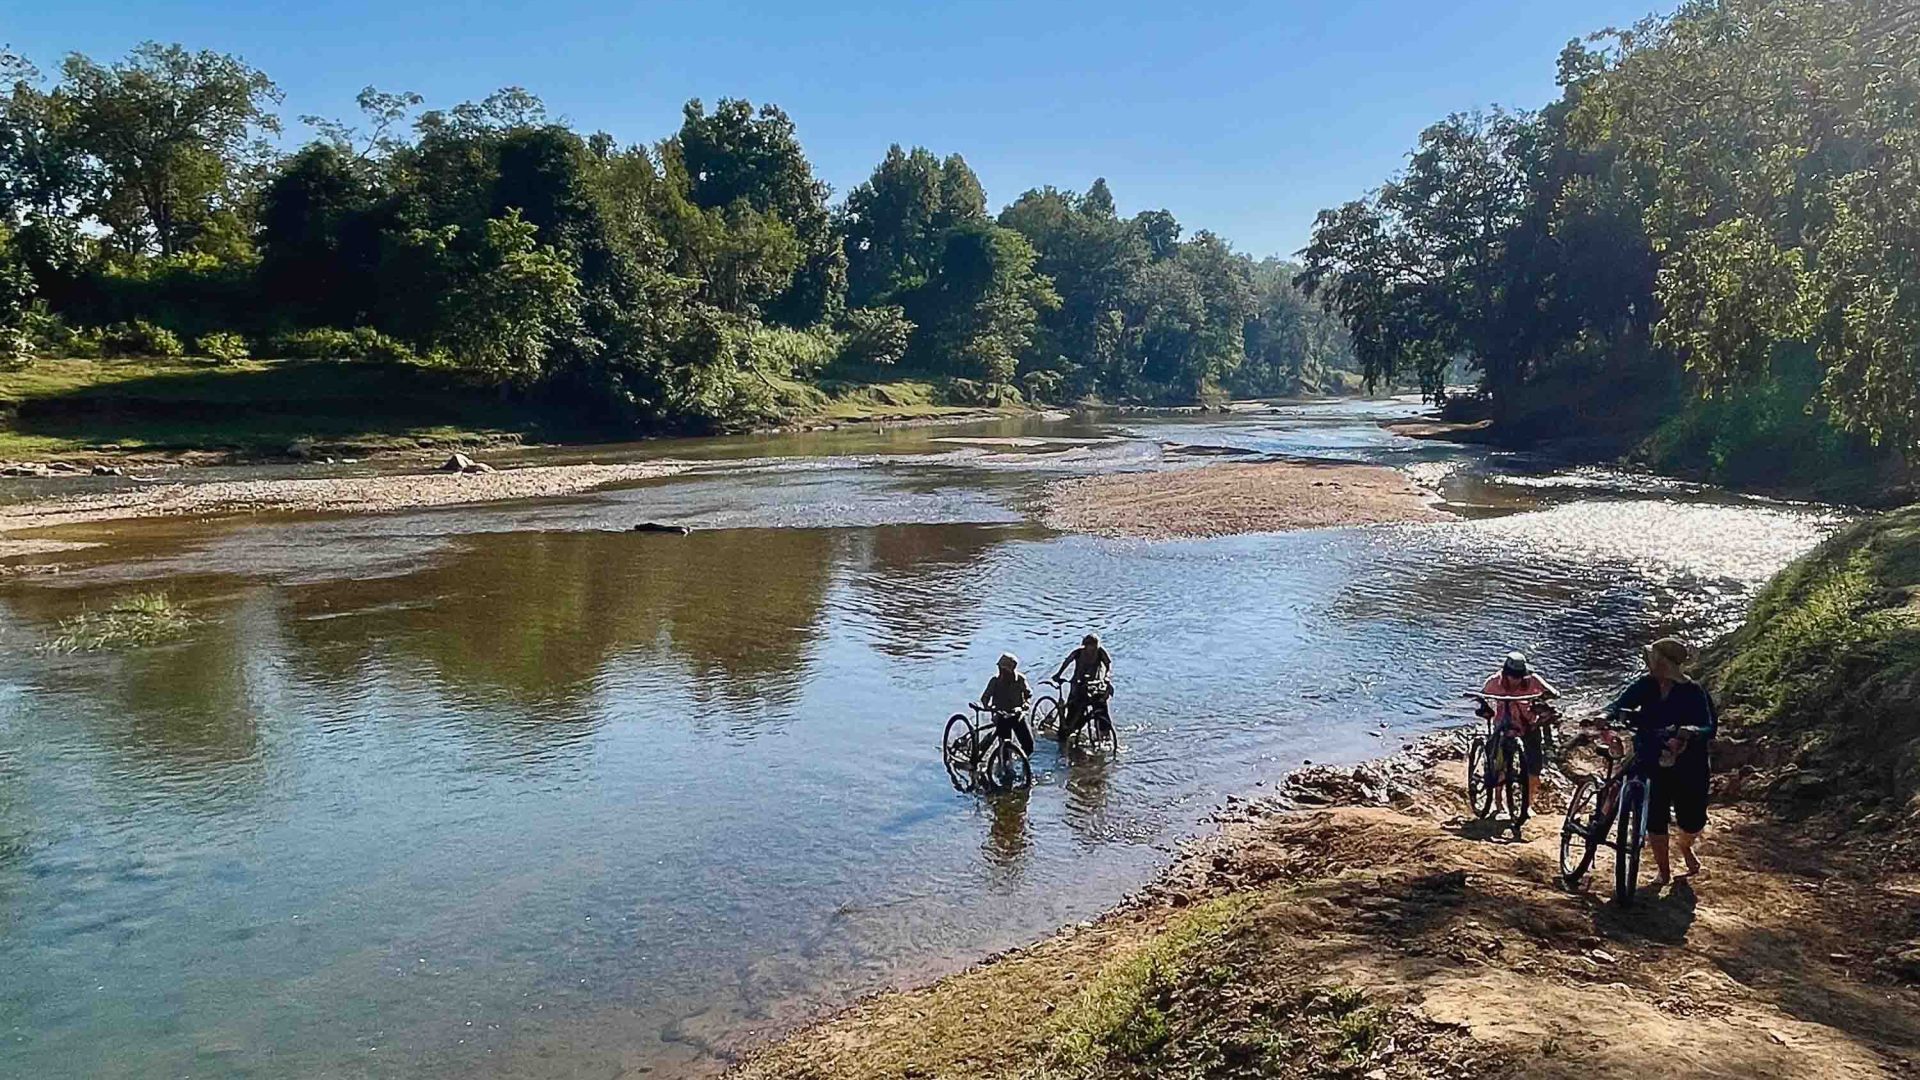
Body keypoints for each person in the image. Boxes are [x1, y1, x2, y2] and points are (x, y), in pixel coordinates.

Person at [1607, 637, 1716, 886]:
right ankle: (1663, 871)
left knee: (1693, 820)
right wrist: (1606, 714)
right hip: (1651, 756)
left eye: (1653, 659)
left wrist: (1689, 732)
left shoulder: (1694, 692)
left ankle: (1686, 846)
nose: (1648, 663)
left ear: (1663, 663)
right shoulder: (1645, 685)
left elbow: (1708, 727)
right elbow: (1620, 704)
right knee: (1655, 817)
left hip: (1689, 764)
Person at [1478, 651, 1560, 814]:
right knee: (1498, 764)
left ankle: (1527, 806)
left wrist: (1543, 698)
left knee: (1534, 768)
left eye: (1518, 676)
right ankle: (1498, 801)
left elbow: (1554, 693)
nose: (1515, 679)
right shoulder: (1495, 681)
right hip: (1504, 725)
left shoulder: (1533, 679)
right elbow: (1482, 696)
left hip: (1528, 725)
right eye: (1512, 676)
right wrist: (1485, 707)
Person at [1051, 634, 1113, 742]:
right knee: (1074, 706)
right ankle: (1067, 730)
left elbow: (1107, 665)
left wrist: (1106, 678)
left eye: (1094, 646)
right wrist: (1059, 674)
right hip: (1078, 683)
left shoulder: (1100, 652)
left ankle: (1104, 731)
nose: (1092, 649)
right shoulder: (1078, 653)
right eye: (1089, 646)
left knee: (1101, 706)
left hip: (1094, 683)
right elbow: (1067, 662)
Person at [979, 652, 1035, 756]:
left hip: (1017, 714)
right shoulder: (995, 681)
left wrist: (1026, 704)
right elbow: (985, 698)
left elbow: (1028, 694)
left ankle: (1023, 764)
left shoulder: (1020, 680)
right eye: (1000, 669)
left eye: (1004, 670)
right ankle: (1003, 764)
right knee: (1005, 747)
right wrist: (989, 707)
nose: (1001, 672)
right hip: (1001, 715)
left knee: (1029, 746)